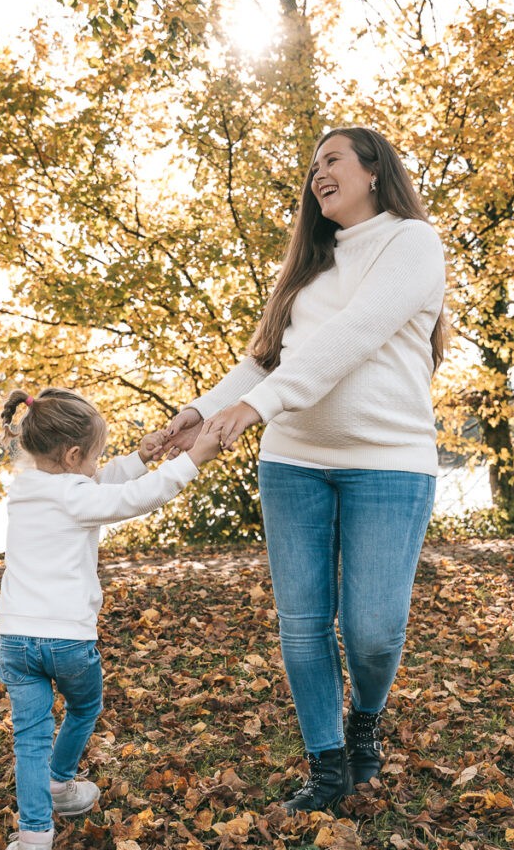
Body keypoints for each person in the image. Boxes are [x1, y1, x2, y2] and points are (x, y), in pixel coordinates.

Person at [166, 127, 446, 814]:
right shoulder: (307, 264)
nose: (317, 173)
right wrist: (197, 413)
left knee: (373, 631)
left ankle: (364, 723)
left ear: (374, 170)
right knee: (302, 625)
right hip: (293, 463)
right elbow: (263, 360)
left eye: (331, 160)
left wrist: (254, 408)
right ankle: (326, 768)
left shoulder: (411, 242)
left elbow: (351, 338)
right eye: (312, 164)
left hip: (388, 464)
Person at [0, 387, 220, 850]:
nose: (100, 464)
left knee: (28, 739)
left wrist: (139, 457)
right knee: (83, 708)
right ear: (74, 455)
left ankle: (33, 846)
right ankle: (60, 783)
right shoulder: (76, 495)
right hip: (69, 643)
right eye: (95, 456)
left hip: (15, 640)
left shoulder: (27, 487)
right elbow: (130, 498)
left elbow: (95, 483)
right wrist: (192, 460)